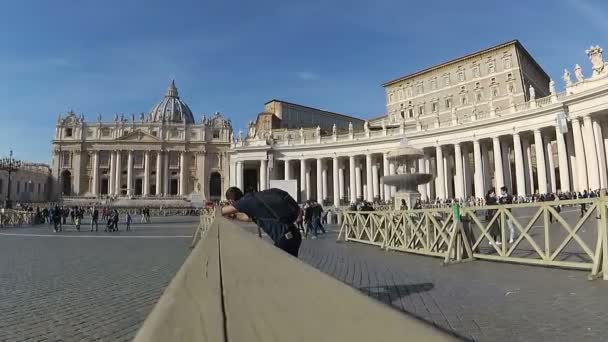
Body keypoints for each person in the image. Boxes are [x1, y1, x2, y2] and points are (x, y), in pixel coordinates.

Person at [221, 187, 302, 257]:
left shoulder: (244, 202)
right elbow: (248, 218)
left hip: (284, 239)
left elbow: (222, 211)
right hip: (293, 235)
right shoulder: (253, 199)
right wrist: (235, 216)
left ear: (231, 201)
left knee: (276, 269)